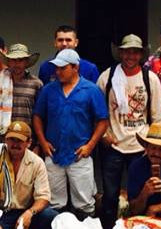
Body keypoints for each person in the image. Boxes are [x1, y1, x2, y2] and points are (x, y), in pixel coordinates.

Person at [97, 34, 161, 229]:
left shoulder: (149, 78)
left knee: (140, 193)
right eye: (127, 51)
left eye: (135, 52)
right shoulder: (107, 77)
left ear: (141, 54)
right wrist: (103, 136)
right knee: (110, 195)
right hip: (114, 144)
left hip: (141, 144)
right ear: (120, 53)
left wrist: (153, 144)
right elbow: (97, 110)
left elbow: (159, 114)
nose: (130, 56)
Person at [34, 49, 109, 216]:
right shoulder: (49, 90)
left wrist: (90, 146)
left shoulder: (91, 90)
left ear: (75, 67)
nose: (58, 72)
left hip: (79, 154)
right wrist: (43, 142)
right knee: (53, 202)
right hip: (54, 154)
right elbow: (37, 117)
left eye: (63, 68)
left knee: (84, 203)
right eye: (57, 68)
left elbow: (103, 121)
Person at [0, 121, 57, 229]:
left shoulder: (37, 162)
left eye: (20, 140)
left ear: (29, 143)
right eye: (11, 139)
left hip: (26, 212)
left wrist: (29, 213)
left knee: (52, 217)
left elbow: (44, 197)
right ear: (5, 140)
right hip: (1, 213)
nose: (15, 144)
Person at [0, 43, 44, 147]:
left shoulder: (36, 84)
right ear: (8, 62)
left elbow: (40, 117)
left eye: (20, 60)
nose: (17, 64)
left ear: (26, 62)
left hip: (27, 142)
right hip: (2, 141)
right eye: (13, 60)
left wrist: (37, 145)